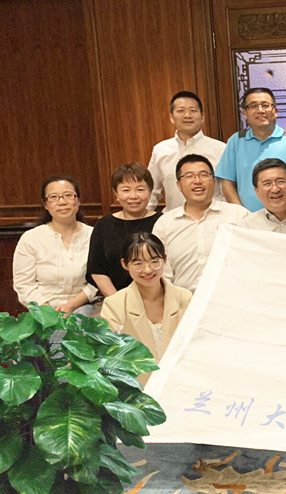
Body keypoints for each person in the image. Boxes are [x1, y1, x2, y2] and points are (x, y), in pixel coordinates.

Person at [101, 232, 192, 386]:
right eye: (138, 264)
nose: (148, 270)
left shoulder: (185, 298)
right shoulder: (114, 305)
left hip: (182, 382)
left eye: (154, 261)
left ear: (165, 260)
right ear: (125, 264)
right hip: (136, 387)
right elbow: (111, 357)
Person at [153, 154, 249, 292]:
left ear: (214, 181)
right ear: (179, 185)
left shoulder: (239, 216)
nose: (197, 181)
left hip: (230, 299)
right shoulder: (165, 224)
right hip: (183, 301)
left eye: (204, 175)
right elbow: (161, 273)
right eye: (189, 176)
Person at [13, 175, 96, 314]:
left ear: (78, 200)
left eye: (68, 195)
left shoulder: (94, 235)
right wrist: (48, 311)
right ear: (46, 204)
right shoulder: (30, 238)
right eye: (54, 197)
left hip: (85, 307)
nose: (62, 202)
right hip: (41, 310)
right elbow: (24, 284)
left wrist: (71, 306)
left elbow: (98, 280)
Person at [217, 87, 286, 212]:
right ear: (245, 112)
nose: (260, 110)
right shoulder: (236, 141)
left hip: (285, 217)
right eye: (253, 106)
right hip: (247, 218)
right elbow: (227, 183)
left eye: (265, 105)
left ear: (275, 111)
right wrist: (242, 216)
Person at [87, 163, 161, 298]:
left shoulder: (163, 222)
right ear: (116, 194)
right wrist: (118, 302)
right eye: (126, 190)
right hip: (115, 299)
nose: (133, 196)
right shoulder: (104, 225)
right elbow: (97, 269)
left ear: (150, 192)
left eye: (140, 189)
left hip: (158, 298)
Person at [146, 91, 226, 212]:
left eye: (193, 110)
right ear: (171, 117)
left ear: (202, 117)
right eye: (181, 111)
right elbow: (151, 192)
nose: (187, 115)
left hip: (214, 219)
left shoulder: (220, 149)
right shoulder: (160, 150)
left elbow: (227, 192)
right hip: (174, 219)